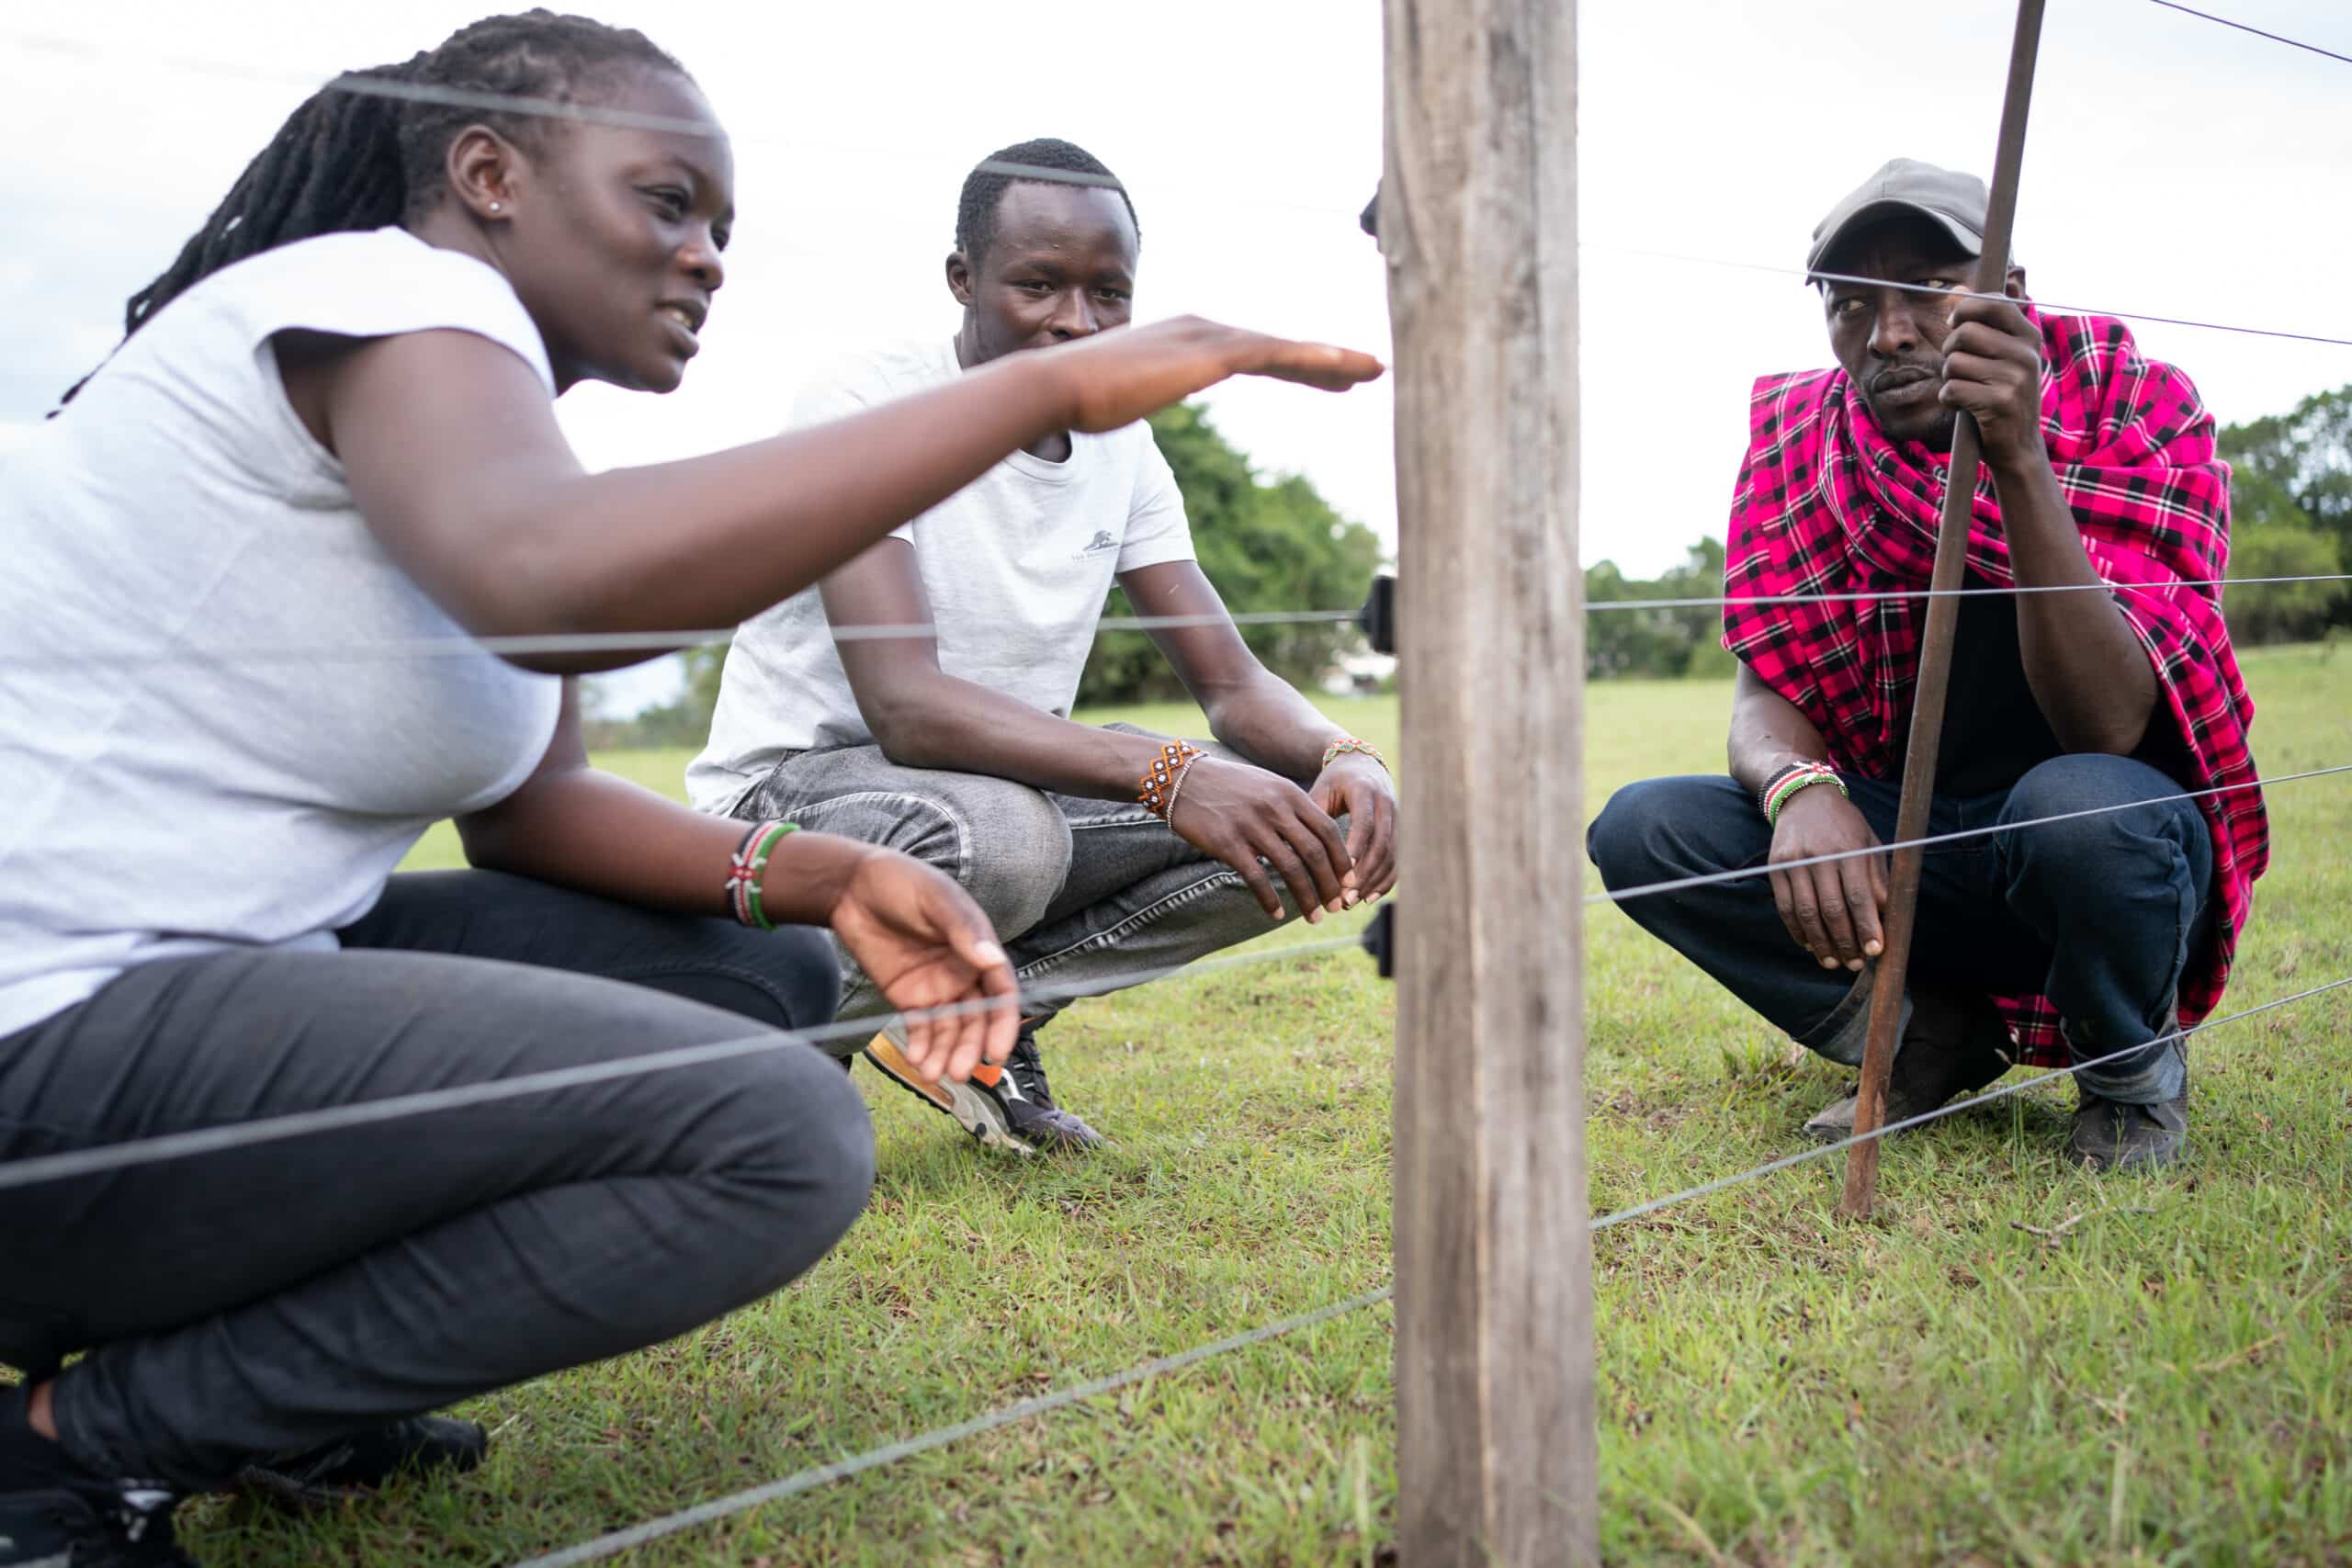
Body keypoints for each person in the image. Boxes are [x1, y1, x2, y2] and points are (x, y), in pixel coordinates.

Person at [0, 17, 1381, 1565]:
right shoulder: (387, 298)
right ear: (485, 173)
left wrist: (824, 880)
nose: (708, 255)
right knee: (779, 1138)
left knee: (765, 973)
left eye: (725, 225)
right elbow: (555, 586)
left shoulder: (490, 432)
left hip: (194, 1002)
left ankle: (284, 1393)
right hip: (42, 1036)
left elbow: (530, 807)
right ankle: (62, 1459)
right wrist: (1043, 389)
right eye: (668, 203)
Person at [688, 138, 1403, 1152]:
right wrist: (1167, 775)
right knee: (1010, 839)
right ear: (962, 280)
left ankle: (984, 1025)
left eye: (1108, 293)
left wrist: (1344, 756)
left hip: (996, 792)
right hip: (798, 797)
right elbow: (906, 703)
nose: (1077, 321)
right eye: (1037, 285)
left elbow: (1232, 680)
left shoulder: (1124, 444)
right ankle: (759, 1060)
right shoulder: (867, 398)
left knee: (1293, 828)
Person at [1585, 158, 2265, 1174]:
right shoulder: (1798, 439)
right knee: (1646, 827)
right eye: (1852, 305)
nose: (1889, 332)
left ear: (2011, 296)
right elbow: (1762, 701)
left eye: (1928, 291)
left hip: (2099, 851)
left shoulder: (2132, 404)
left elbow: (2110, 726)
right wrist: (1797, 789)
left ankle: (2127, 1072)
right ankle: (1925, 1033)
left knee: (2074, 806)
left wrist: (2016, 456)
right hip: (1902, 850)